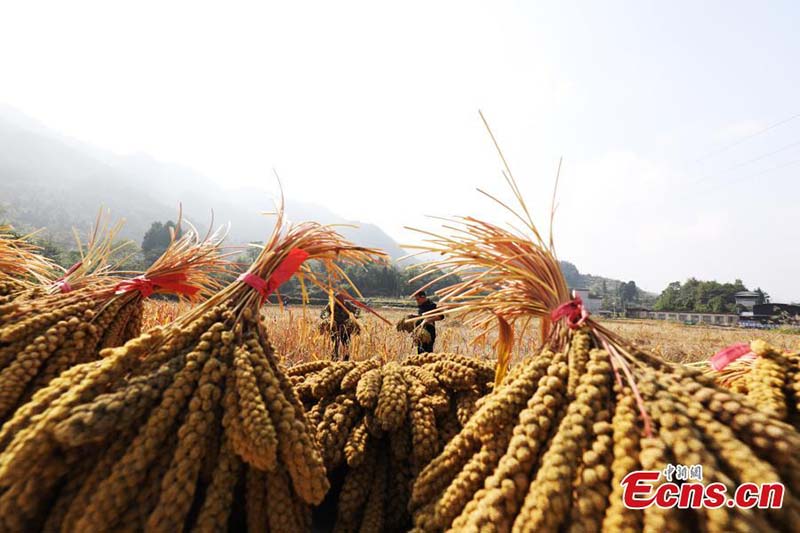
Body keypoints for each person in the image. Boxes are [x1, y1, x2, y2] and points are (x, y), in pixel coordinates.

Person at [320, 292, 360, 360]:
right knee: (335, 344)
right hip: (335, 328)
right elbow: (324, 313)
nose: (340, 300)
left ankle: (346, 360)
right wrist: (325, 317)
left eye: (342, 299)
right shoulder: (331, 305)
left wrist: (355, 315)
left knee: (346, 344)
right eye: (338, 299)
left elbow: (357, 309)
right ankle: (334, 359)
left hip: (345, 327)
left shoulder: (347, 304)